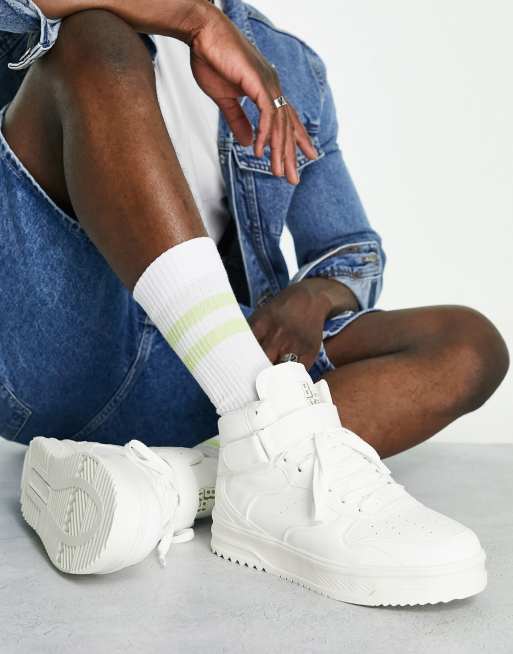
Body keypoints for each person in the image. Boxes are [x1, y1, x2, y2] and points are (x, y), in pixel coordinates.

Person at [1, 0, 509, 605]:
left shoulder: (286, 66)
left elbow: (350, 248)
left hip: (196, 374)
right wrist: (195, 20)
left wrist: (313, 296)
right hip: (43, 335)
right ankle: (267, 432)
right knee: (95, 36)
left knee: (468, 344)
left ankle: (181, 481)